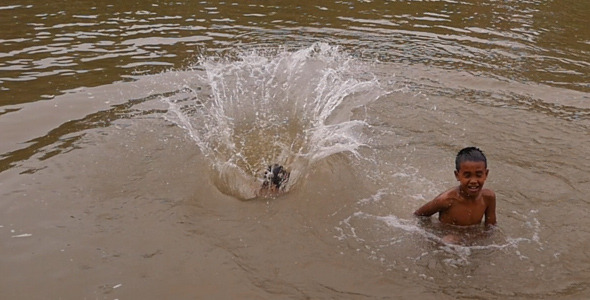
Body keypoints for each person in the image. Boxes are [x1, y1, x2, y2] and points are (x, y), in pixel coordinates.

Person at [414, 147, 496, 231]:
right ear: (457, 175)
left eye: (478, 175)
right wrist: (431, 234)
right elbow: (419, 215)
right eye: (467, 175)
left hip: (471, 237)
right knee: (451, 239)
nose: (474, 181)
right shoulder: (446, 200)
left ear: (486, 174)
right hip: (448, 238)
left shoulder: (488, 198)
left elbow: (491, 228)